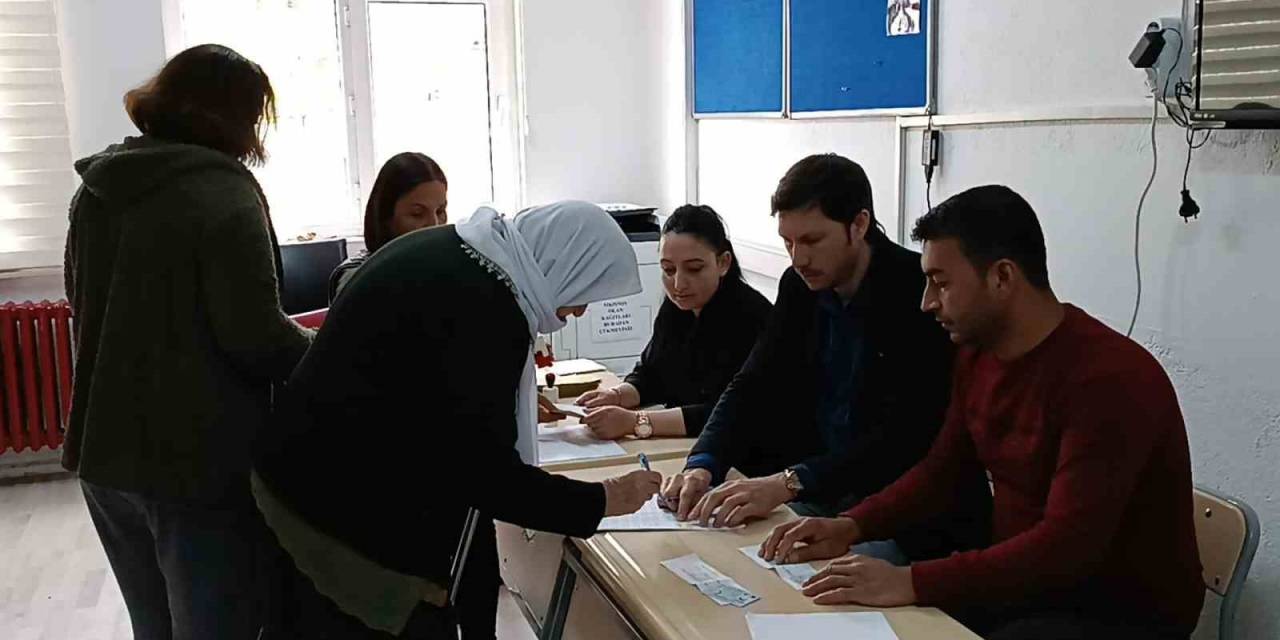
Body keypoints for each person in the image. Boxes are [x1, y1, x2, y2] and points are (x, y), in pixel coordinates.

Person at [761, 186, 1204, 640]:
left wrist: (912, 581)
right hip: (1025, 587)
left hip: (1114, 613)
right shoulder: (978, 354)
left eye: (942, 282)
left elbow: (1067, 550)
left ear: (1002, 277)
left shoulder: (1110, 380)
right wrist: (850, 526)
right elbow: (942, 472)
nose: (926, 302)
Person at [254, 201, 662, 639]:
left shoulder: (466, 253)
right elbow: (485, 475)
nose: (579, 311)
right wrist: (604, 499)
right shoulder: (486, 307)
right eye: (587, 291)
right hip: (333, 511)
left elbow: (442, 408)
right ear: (566, 264)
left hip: (309, 472)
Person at [63, 44, 312, 640]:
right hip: (190, 464)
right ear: (239, 119)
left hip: (103, 452)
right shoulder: (224, 196)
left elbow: (81, 301)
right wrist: (332, 351)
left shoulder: (97, 189)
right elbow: (255, 338)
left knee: (154, 627)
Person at [659, 154, 990, 565]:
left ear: (859, 225)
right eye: (788, 242)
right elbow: (753, 383)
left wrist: (788, 483)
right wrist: (703, 464)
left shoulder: (918, 294)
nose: (798, 258)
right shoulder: (799, 287)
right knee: (717, 552)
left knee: (799, 590)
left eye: (812, 241)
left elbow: (904, 437)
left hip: (903, 517)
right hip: (822, 495)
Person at [573, 204, 772, 440]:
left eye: (694, 269)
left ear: (723, 263)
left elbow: (730, 412)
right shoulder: (678, 308)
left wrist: (636, 421)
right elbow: (651, 374)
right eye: (668, 270)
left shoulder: (751, 318)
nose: (678, 284)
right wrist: (616, 395)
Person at [329, 152, 449, 301]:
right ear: (386, 217)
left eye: (440, 211)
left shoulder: (441, 266)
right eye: (417, 214)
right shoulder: (358, 277)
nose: (434, 224)